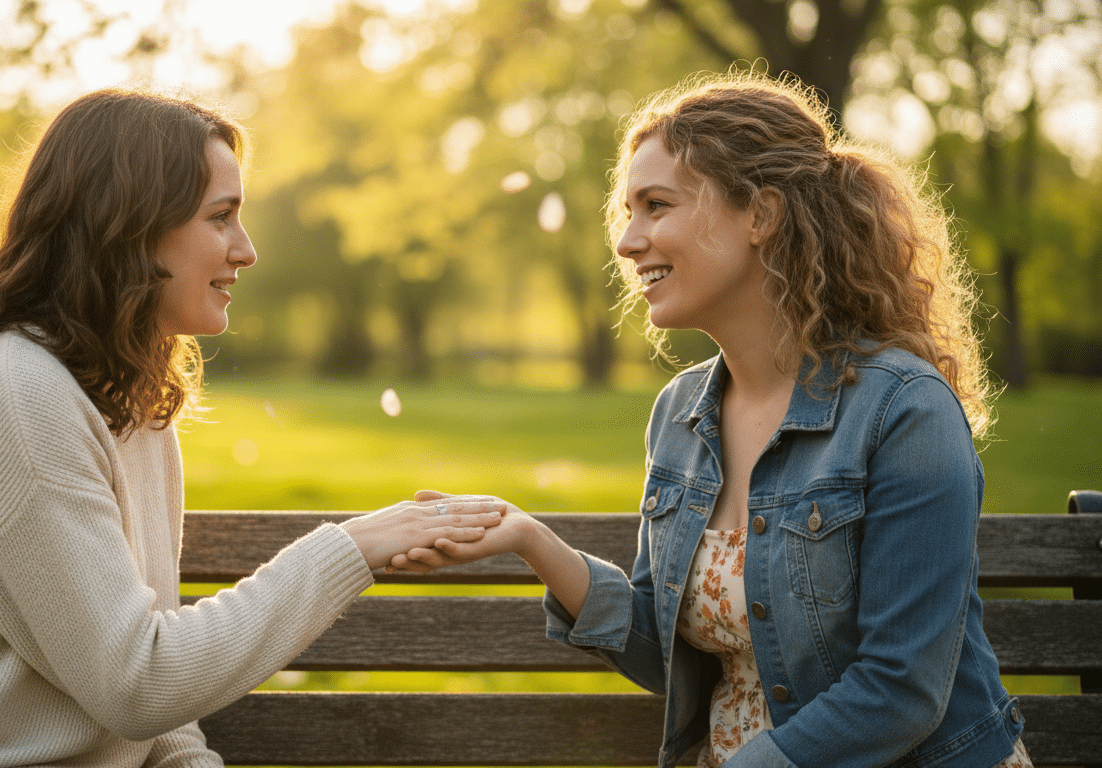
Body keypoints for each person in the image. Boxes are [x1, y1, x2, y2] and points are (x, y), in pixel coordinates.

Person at [0, 88, 502, 768]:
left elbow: (147, 694)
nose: (247, 249)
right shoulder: (16, 395)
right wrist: (355, 546)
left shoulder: (130, 400)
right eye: (220, 217)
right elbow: (139, 682)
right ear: (129, 227)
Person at [394, 72, 1032, 768]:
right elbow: (669, 654)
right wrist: (530, 540)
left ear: (761, 215)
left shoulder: (903, 410)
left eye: (656, 205)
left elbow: (901, 692)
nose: (627, 241)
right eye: (628, 211)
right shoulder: (681, 414)